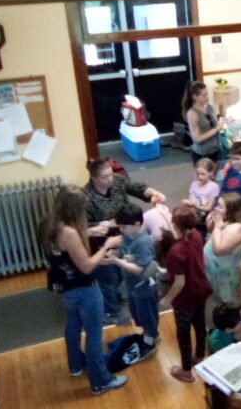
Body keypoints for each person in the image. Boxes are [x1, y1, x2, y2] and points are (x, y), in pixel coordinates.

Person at [37, 184, 128, 395]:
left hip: (65, 287)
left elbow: (65, 245)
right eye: (83, 207)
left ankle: (76, 365)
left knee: (73, 324)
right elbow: (86, 265)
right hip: (84, 288)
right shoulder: (69, 232)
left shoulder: (48, 222)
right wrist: (107, 245)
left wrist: (90, 231)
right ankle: (100, 381)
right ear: (74, 209)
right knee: (94, 335)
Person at [85, 158, 166, 325]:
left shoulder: (118, 181)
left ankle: (115, 296)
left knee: (122, 270)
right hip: (101, 242)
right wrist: (109, 223)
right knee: (107, 277)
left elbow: (139, 188)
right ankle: (110, 311)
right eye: (104, 177)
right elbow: (84, 226)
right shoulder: (86, 197)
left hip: (125, 235)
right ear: (93, 178)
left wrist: (153, 194)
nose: (110, 180)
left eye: (110, 175)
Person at [159, 206, 212, 383]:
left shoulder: (176, 252)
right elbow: (179, 229)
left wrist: (167, 299)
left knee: (183, 333)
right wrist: (164, 212)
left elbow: (179, 282)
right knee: (199, 324)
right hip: (201, 288)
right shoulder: (196, 234)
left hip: (185, 297)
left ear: (176, 225)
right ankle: (199, 356)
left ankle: (186, 370)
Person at [106, 203, 160, 361]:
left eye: (124, 227)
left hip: (144, 287)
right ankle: (149, 334)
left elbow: (139, 269)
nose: (121, 230)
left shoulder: (143, 243)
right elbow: (123, 252)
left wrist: (116, 261)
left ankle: (150, 341)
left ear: (137, 224)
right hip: (132, 287)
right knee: (138, 314)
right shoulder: (128, 236)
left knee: (147, 315)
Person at [204, 193, 241, 306]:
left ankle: (238, 316)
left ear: (231, 211)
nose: (216, 208)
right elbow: (210, 231)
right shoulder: (227, 220)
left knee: (229, 301)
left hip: (225, 274)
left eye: (220, 206)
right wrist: (212, 220)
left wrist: (218, 226)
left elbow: (219, 250)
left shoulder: (238, 229)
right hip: (215, 270)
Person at [207, 303, 241, 396]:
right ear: (229, 330)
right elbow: (232, 362)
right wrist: (238, 341)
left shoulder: (235, 329)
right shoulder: (216, 341)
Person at [182, 80, 225, 165]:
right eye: (203, 95)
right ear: (194, 96)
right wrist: (216, 129)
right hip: (203, 154)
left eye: (207, 94)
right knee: (205, 177)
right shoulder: (192, 113)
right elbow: (197, 138)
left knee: (213, 178)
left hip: (215, 149)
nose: (207, 97)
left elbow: (215, 124)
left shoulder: (209, 107)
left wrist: (224, 120)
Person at [183, 157, 220, 227]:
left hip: (206, 217)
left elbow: (209, 208)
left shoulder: (214, 187)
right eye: (198, 174)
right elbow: (191, 199)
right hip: (195, 214)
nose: (200, 177)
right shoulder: (194, 184)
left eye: (203, 174)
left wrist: (195, 205)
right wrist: (188, 204)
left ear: (211, 173)